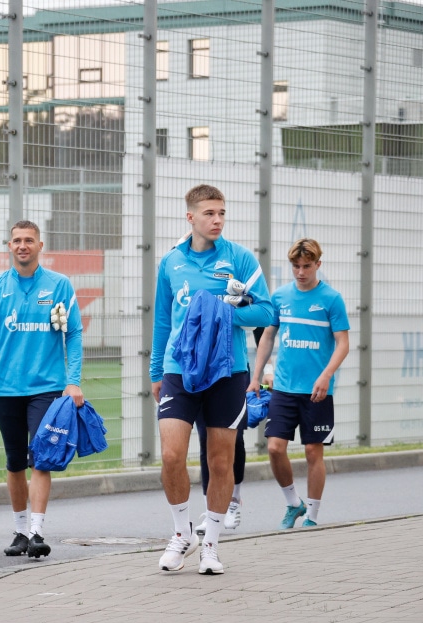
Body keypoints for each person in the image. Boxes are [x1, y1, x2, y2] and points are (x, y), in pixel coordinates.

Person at [150, 184, 273, 575]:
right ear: (191, 217)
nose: (217, 220)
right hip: (179, 369)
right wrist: (156, 370)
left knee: (220, 461)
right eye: (209, 213)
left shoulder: (239, 258)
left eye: (221, 212)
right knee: (171, 455)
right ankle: (182, 532)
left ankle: (211, 546)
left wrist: (221, 312)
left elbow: (267, 311)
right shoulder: (171, 262)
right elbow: (163, 321)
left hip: (227, 371)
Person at [0, 220, 84, 560]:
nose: (23, 245)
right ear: (9, 246)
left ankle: (37, 531)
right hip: (6, 388)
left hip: (47, 388)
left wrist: (73, 381)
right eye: (17, 240)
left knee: (40, 458)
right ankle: (19, 530)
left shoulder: (59, 285)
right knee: (15, 462)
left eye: (29, 240)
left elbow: (73, 334)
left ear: (41, 246)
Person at [250, 238, 350, 529]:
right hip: (283, 387)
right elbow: (267, 336)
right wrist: (257, 375)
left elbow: (343, 344)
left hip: (317, 391)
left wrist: (326, 375)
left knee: (311, 451)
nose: (301, 272)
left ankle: (313, 516)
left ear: (318, 264)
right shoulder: (280, 297)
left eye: (307, 266)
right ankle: (294, 503)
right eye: (296, 266)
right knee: (274, 448)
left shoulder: (331, 299)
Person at [193, 326, 266, 536]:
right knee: (206, 439)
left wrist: (265, 370)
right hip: (200, 369)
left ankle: (233, 500)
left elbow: (260, 324)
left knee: (235, 439)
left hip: (234, 369)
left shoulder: (237, 292)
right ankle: (211, 509)